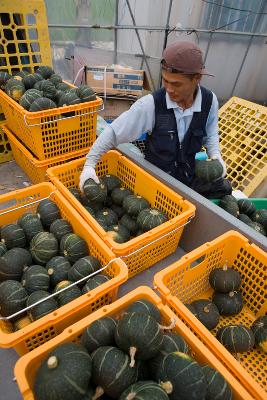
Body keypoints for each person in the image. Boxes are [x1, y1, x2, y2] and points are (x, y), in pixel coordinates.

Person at [79, 41, 232, 198]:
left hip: (188, 178)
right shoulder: (151, 104)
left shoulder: (209, 101)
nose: (169, 89)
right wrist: (90, 165)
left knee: (225, 188)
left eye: (176, 84)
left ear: (197, 79)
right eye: (165, 81)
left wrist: (216, 156)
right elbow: (114, 133)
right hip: (156, 182)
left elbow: (211, 135)